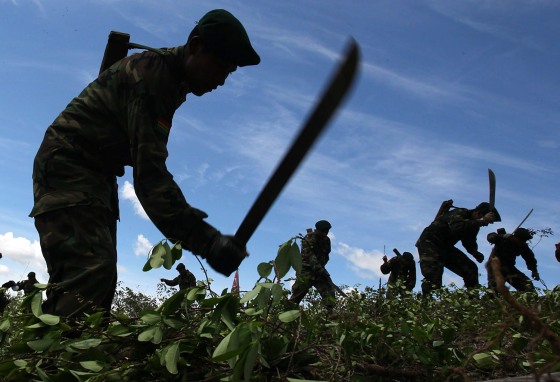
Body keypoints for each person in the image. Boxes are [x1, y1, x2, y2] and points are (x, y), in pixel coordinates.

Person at [30, 9, 259, 318]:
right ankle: (55, 360)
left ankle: (67, 353)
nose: (222, 79)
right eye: (220, 65)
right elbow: (150, 179)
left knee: (97, 277)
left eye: (229, 72)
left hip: (93, 176)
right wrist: (207, 241)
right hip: (68, 168)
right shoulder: (153, 78)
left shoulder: (169, 80)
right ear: (195, 46)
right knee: (88, 274)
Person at [416, 202, 500, 296]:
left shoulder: (474, 225)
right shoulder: (460, 212)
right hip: (430, 243)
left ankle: (473, 300)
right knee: (433, 277)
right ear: (479, 213)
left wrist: (475, 253)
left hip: (445, 247)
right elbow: (457, 227)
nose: (486, 225)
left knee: (470, 269)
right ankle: (426, 303)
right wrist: (482, 221)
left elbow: (469, 242)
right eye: (488, 222)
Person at [289, 220, 336, 312]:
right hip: (306, 271)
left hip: (320, 271)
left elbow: (326, 255)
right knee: (296, 297)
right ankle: (286, 317)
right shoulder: (308, 239)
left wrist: (322, 268)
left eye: (326, 231)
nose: (324, 233)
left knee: (329, 291)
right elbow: (310, 257)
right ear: (317, 230)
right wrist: (320, 270)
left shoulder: (326, 240)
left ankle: (330, 315)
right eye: (322, 231)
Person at [486, 228, 539, 293]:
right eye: (525, 239)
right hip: (494, 267)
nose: (525, 241)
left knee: (527, 286)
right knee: (494, 289)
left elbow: (529, 258)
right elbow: (491, 237)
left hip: (508, 268)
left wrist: (534, 271)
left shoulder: (522, 245)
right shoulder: (504, 239)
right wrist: (502, 236)